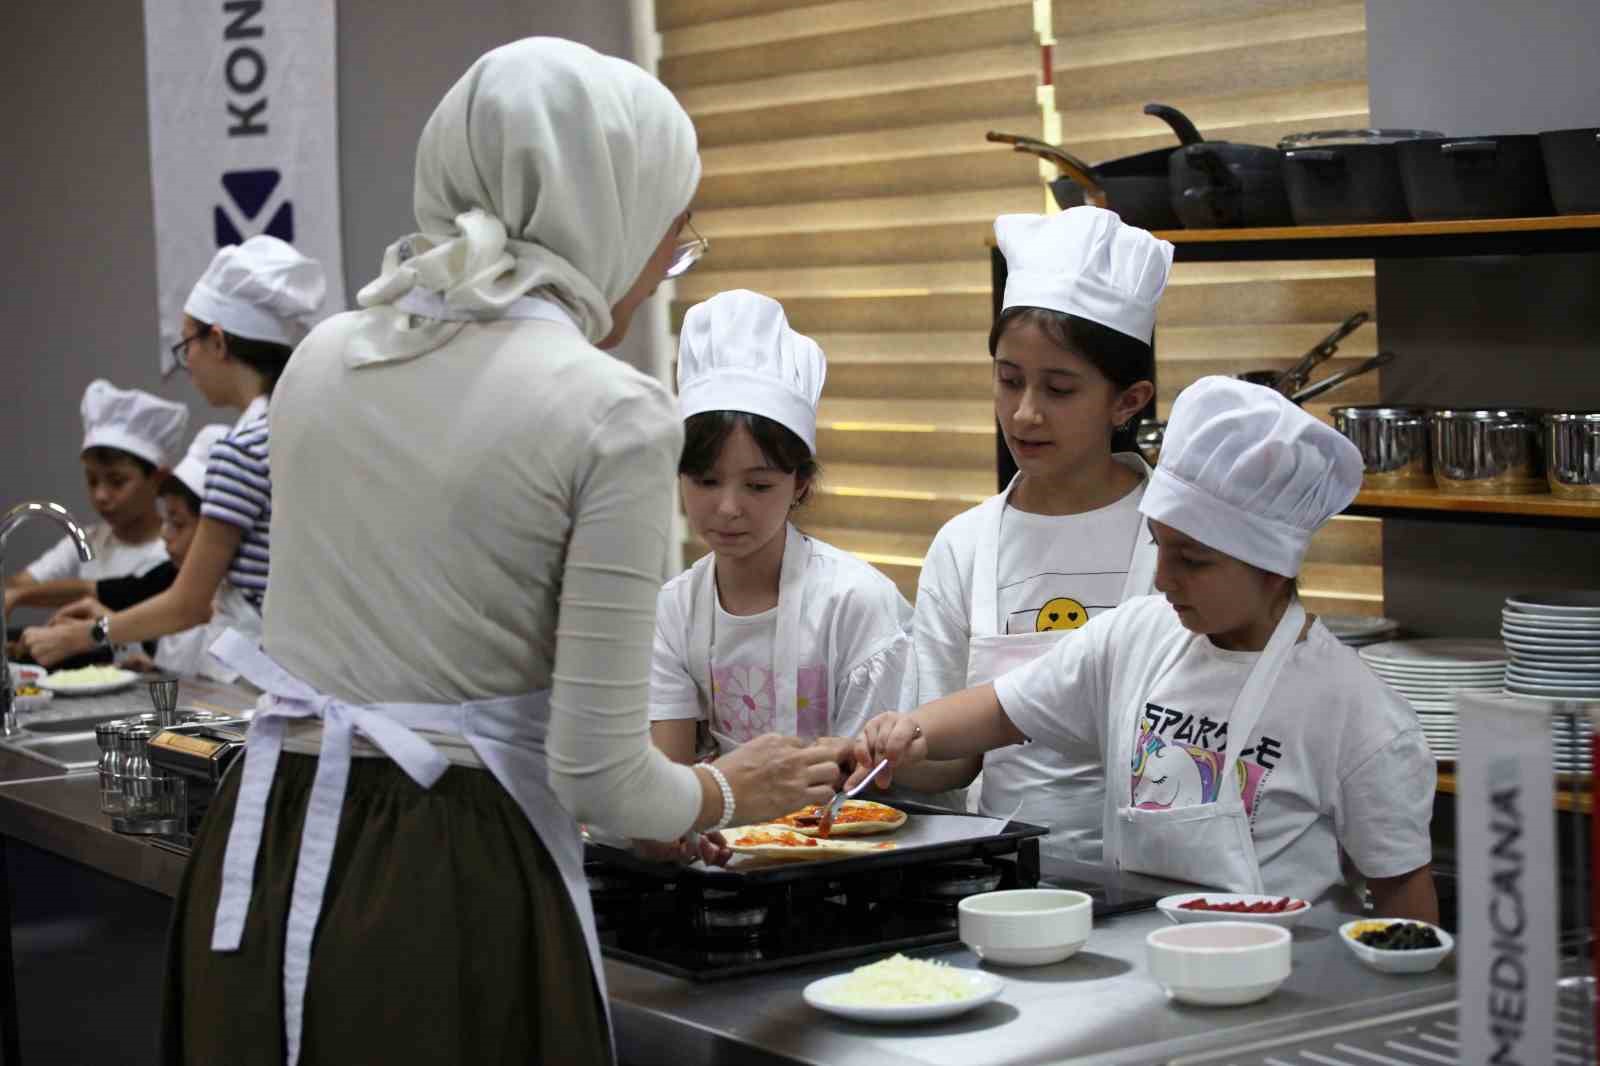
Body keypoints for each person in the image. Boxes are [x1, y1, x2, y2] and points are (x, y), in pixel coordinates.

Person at [159, 39, 845, 1066]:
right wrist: (730, 787)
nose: (665, 264)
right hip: (445, 874)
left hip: (267, 848)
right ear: (601, 206)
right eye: (671, 232)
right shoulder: (606, 410)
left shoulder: (323, 360)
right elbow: (603, 777)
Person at [853, 376, 1439, 920]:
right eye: (1159, 547)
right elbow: (1003, 709)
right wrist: (914, 731)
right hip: (1142, 959)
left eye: (1193, 560)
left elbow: (1402, 899)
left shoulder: (1357, 714)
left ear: (1271, 566)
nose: (1163, 578)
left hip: (1286, 986)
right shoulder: (1139, 635)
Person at [907, 208, 1170, 860]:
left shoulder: (1178, 544)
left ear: (1128, 401)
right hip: (1005, 889)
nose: (1025, 413)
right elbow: (951, 764)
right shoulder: (964, 547)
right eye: (1008, 379)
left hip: (1160, 890)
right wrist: (883, 754)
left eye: (1058, 388)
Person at [21, 237, 323, 669]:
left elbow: (190, 604)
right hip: (312, 670)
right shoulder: (304, 429)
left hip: (261, 678)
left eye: (187, 346)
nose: (189, 364)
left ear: (218, 342)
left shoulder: (241, 451)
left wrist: (85, 636)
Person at [650, 289, 914, 778]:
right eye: (705, 481)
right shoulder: (674, 610)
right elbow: (668, 782)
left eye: (758, 485)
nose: (728, 508)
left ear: (800, 484)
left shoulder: (854, 602)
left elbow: (871, 781)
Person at [50, 426, 236, 679]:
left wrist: (89, 633)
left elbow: (224, 686)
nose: (165, 534)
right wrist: (150, 664)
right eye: (92, 480)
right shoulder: (196, 588)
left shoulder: (233, 607)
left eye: (178, 523)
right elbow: (187, 668)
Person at [4, 380, 188, 615]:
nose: (100, 495)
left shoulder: (172, 550)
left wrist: (21, 595)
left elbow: (107, 593)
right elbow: (19, 584)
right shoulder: (87, 541)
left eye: (117, 481)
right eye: (92, 480)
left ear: (158, 479)